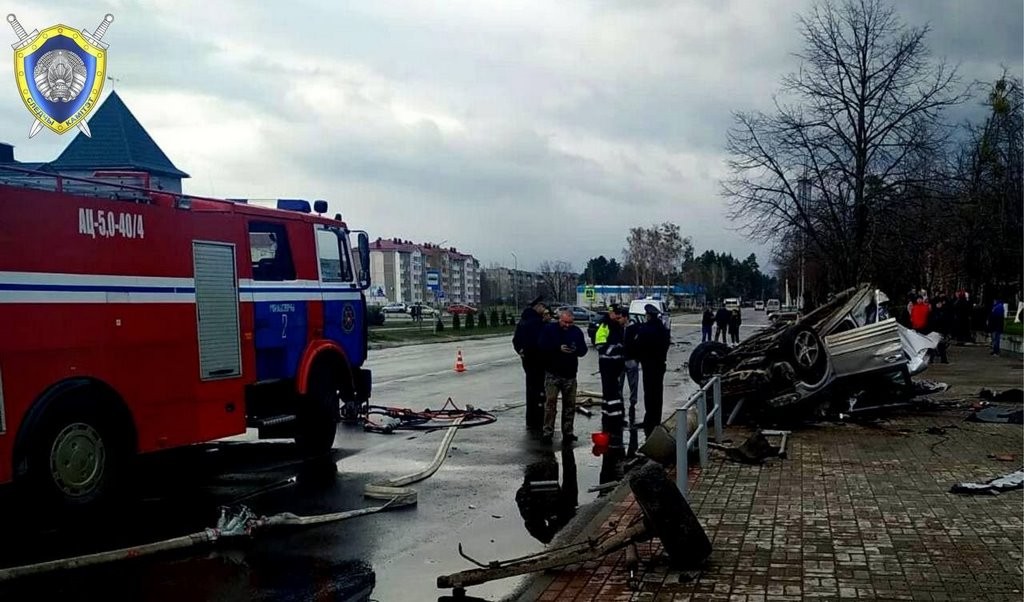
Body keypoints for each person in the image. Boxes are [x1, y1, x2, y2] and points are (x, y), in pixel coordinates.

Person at [538, 309, 588, 443]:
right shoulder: (550, 329)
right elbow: (542, 346)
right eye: (565, 322)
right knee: (550, 404)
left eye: (570, 323)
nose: (567, 325)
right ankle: (548, 432)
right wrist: (557, 348)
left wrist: (576, 349)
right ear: (560, 319)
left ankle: (568, 432)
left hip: (570, 374)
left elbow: (583, 350)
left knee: (570, 405)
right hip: (553, 373)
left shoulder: (576, 331)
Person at [635, 304, 672, 438]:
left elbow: (638, 346)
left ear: (648, 316)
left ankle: (649, 421)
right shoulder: (663, 329)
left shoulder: (644, 329)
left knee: (649, 393)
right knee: (658, 393)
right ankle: (656, 419)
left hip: (648, 365)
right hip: (660, 364)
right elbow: (666, 345)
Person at [595, 306, 629, 447]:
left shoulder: (616, 326)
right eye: (616, 314)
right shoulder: (604, 326)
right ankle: (611, 421)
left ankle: (616, 418)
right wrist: (618, 348)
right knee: (610, 394)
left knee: (615, 395)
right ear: (611, 314)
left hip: (616, 366)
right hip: (607, 365)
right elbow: (600, 345)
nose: (618, 316)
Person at [513, 296, 547, 430]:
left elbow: (516, 340)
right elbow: (542, 341)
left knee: (531, 388)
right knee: (539, 389)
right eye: (543, 307)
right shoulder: (537, 322)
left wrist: (521, 351)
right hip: (538, 359)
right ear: (537, 306)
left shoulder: (523, 320)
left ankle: (531, 419)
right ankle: (538, 418)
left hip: (527, 360)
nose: (544, 310)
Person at [620, 315, 641, 430]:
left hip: (631, 360)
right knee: (619, 384)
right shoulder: (619, 328)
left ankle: (632, 403)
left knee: (633, 383)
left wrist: (637, 358)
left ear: (625, 318)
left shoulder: (634, 328)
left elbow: (638, 344)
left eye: (620, 318)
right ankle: (621, 405)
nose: (619, 320)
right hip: (621, 360)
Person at [927, 296, 952, 363]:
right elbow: (930, 322)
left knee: (941, 346)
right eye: (938, 304)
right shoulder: (933, 313)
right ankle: (931, 359)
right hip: (934, 331)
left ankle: (943, 359)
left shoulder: (944, 312)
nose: (939, 305)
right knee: (933, 346)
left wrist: (946, 332)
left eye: (940, 303)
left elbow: (946, 322)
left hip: (941, 331)